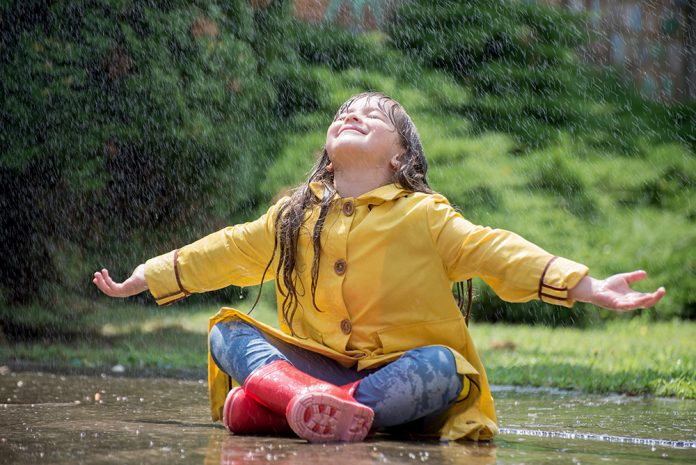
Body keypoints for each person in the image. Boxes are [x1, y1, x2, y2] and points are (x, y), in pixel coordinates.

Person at [93, 92, 665, 443]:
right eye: (345, 112)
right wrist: (146, 275)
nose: (352, 113)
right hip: (314, 372)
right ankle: (301, 402)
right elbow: (223, 251)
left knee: (444, 366)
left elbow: (498, 250)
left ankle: (294, 408)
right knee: (226, 332)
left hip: (397, 380)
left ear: (401, 156)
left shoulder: (425, 216)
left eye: (372, 114)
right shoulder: (294, 217)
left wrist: (585, 285)